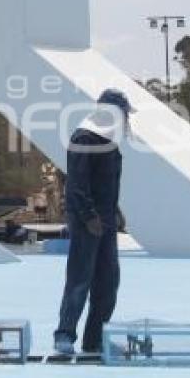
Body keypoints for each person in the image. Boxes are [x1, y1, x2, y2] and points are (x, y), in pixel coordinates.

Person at [53, 88, 135, 355]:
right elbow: (76, 185)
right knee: (80, 279)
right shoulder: (84, 137)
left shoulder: (109, 143)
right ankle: (64, 335)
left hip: (106, 220)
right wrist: (89, 217)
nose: (125, 119)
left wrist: (115, 212)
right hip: (87, 221)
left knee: (108, 281)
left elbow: (105, 184)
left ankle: (96, 339)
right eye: (123, 113)